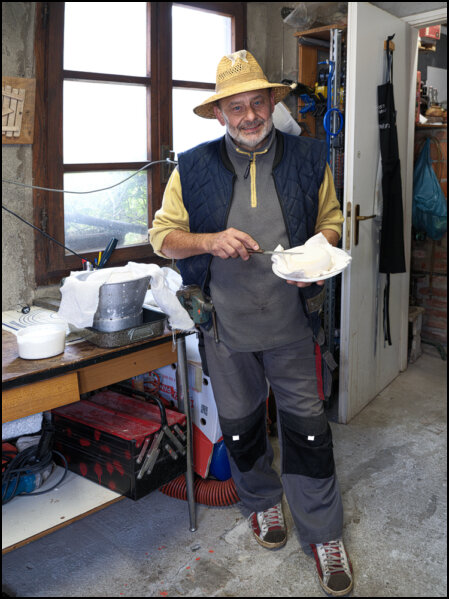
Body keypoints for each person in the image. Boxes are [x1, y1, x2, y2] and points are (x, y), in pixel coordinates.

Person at [150, 50, 352, 597]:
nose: (248, 116)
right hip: (225, 327)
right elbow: (162, 237)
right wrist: (209, 240)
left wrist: (317, 251)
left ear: (271, 104)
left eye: (257, 103)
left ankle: (324, 533)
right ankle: (262, 502)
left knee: (308, 431)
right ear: (220, 114)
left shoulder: (310, 157)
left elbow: (333, 220)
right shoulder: (192, 168)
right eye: (235, 107)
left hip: (293, 323)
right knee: (240, 426)